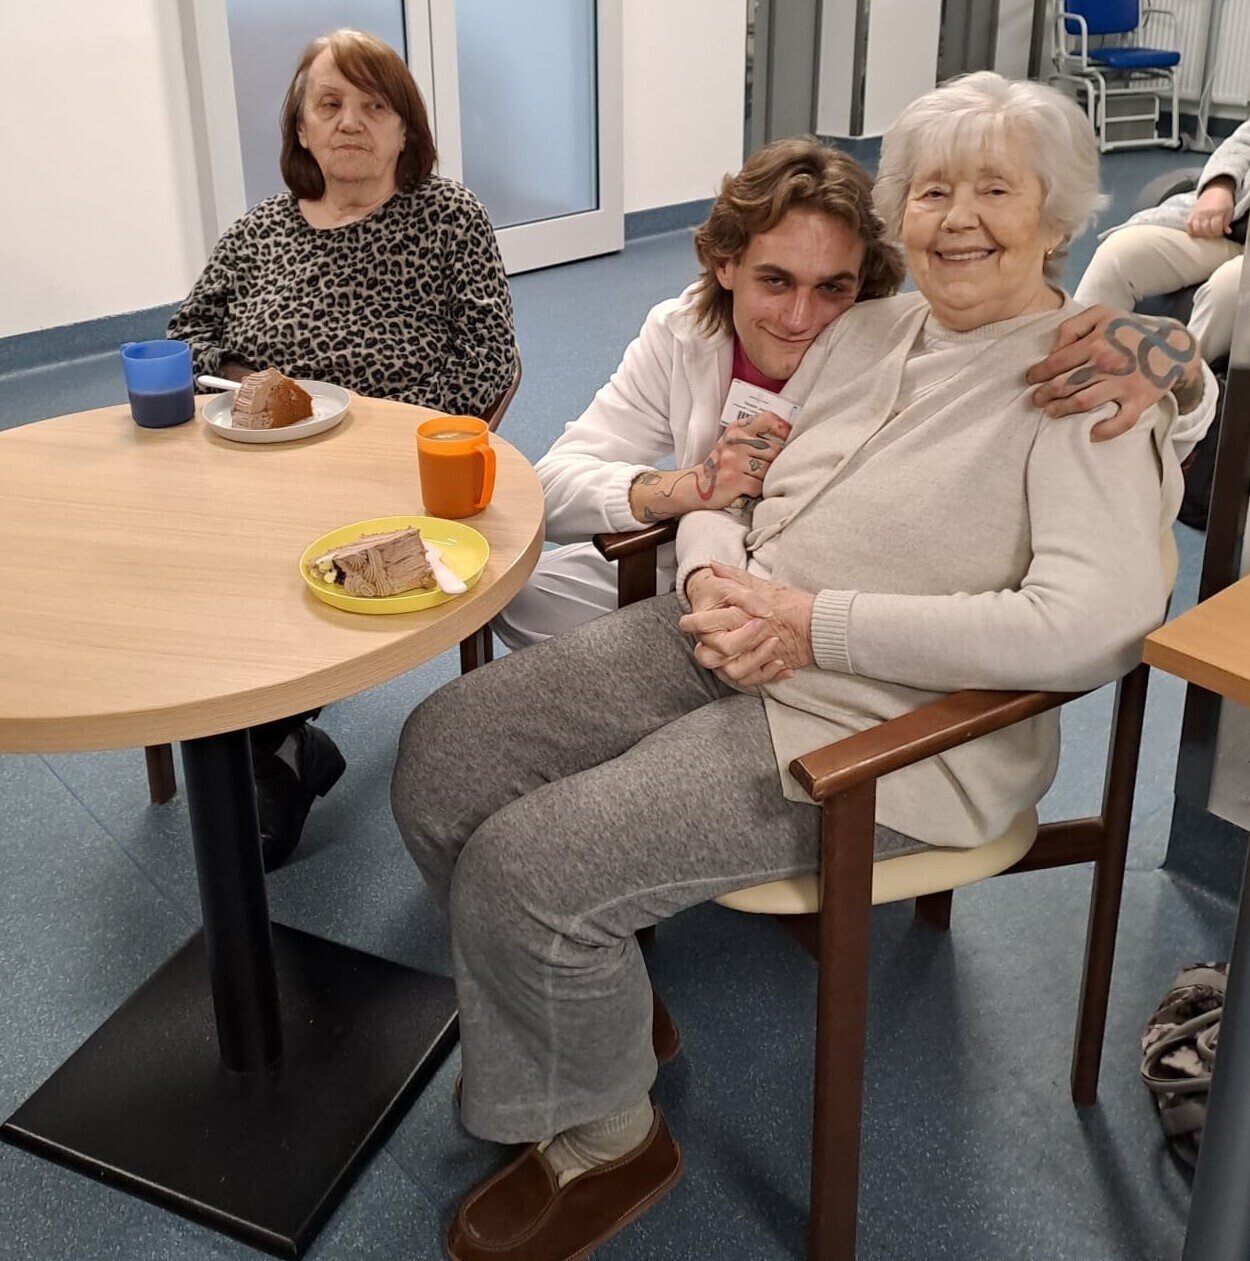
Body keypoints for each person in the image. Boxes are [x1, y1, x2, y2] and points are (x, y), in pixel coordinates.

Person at [391, 73, 1217, 1259]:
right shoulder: (865, 330)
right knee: (444, 750)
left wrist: (811, 623)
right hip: (730, 627)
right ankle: (579, 1016)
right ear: (899, 213)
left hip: (873, 722)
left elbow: (1086, 625)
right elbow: (740, 477)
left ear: (1058, 217)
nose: (957, 217)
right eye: (930, 189)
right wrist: (711, 578)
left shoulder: (1085, 381)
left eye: (995, 189)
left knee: (527, 870)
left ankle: (609, 1136)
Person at [494, 138, 1213, 651]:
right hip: (700, 551)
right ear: (725, 264)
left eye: (832, 288)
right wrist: (692, 487)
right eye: (775, 280)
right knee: (518, 595)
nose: (799, 318)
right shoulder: (682, 332)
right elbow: (550, 485)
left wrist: (1184, 369)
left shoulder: (890, 343)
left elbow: (1139, 437)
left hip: (824, 598)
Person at [168, 29, 515, 870]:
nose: (350, 121)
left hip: (386, 472)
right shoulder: (259, 232)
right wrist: (257, 386)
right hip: (252, 461)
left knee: (269, 560)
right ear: (300, 127)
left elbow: (488, 363)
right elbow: (185, 337)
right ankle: (274, 740)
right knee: (183, 559)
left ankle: (267, 747)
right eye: (329, 103)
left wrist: (380, 436)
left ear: (405, 128)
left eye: (374, 104)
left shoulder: (449, 220)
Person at [1075, 119, 1250, 365]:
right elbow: (1242, 143)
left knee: (1228, 290)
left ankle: (1176, 382)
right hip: (1227, 226)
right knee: (1120, 253)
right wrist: (1219, 185)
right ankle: (1071, 364)